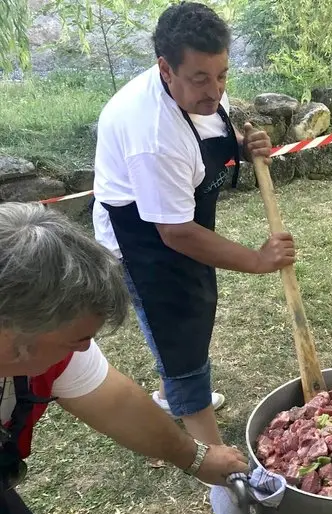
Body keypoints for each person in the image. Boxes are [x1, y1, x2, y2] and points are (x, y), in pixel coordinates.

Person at [92, 1, 295, 448]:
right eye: (200, 78)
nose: (215, 90)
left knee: (195, 310)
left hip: (178, 221)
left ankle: (172, 397)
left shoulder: (199, 91)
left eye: (222, 74)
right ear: (166, 68)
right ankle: (208, 453)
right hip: (140, 240)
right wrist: (257, 260)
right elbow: (175, 233)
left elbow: (205, 137)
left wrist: (244, 144)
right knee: (178, 330)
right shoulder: (152, 134)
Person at [0, 203, 251, 514]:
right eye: (78, 339)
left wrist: (197, 458)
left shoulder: (49, 348)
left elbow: (117, 404)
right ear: (16, 337)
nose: (86, 348)